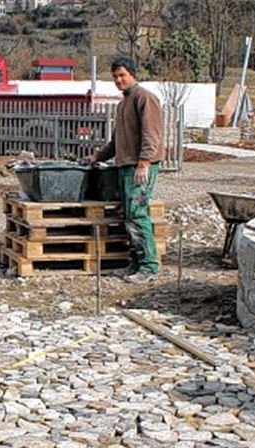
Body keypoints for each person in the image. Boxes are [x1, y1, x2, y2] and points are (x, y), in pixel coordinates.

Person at [89, 57, 165, 283]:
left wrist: (144, 163)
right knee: (129, 215)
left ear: (133, 74)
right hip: (125, 166)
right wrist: (97, 156)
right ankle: (135, 263)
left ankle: (149, 267)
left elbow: (152, 134)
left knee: (138, 213)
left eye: (122, 75)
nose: (118, 80)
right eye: (114, 76)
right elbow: (117, 141)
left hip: (140, 166)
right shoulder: (124, 103)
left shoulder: (145, 99)